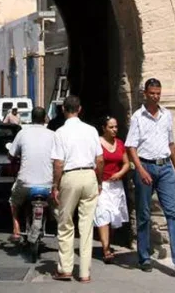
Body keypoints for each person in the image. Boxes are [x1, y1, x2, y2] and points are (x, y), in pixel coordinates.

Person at [125, 78, 175, 276]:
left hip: (165, 169)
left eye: (158, 93)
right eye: (152, 93)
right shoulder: (138, 117)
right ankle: (144, 257)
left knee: (172, 213)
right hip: (145, 166)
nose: (156, 96)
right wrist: (140, 170)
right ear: (145, 94)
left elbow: (171, 144)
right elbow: (131, 147)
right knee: (144, 214)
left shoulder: (167, 115)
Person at [50, 95, 103, 283]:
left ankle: (65, 268)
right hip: (89, 174)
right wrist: (99, 181)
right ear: (80, 109)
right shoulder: (91, 131)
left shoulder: (60, 133)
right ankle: (84, 273)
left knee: (65, 223)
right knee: (87, 226)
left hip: (70, 176)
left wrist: (55, 185)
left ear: (64, 109)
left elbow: (58, 163)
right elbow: (100, 160)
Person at [6, 106, 55, 241]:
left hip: (25, 182)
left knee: (14, 202)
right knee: (57, 206)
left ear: (31, 118)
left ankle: (16, 230)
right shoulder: (53, 135)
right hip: (48, 183)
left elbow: (11, 155)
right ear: (45, 118)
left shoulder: (22, 133)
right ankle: (59, 229)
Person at [94, 116, 130, 263]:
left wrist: (120, 173)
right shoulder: (96, 142)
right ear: (104, 128)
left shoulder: (120, 143)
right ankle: (106, 249)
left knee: (114, 217)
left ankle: (108, 242)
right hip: (101, 185)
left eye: (116, 127)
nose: (115, 130)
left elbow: (126, 163)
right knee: (103, 214)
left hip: (116, 186)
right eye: (111, 127)